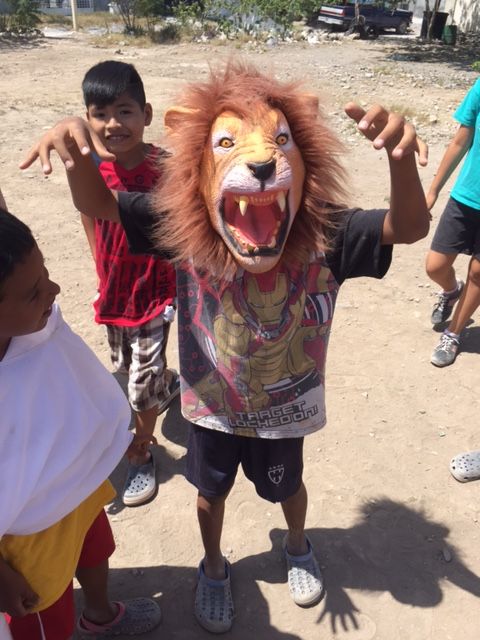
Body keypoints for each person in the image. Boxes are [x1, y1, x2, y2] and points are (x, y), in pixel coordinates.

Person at [21, 63, 429, 634]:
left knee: (288, 486)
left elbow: (407, 228)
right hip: (212, 409)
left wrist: (399, 159)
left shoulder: (324, 234)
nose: (261, 160)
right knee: (209, 493)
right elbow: (101, 205)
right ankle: (213, 565)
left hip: (286, 410)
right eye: (228, 144)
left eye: (281, 141)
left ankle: (297, 543)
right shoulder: (185, 226)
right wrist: (77, 153)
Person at [0, 204, 162, 639]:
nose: (54, 290)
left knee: (94, 548)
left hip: (78, 489)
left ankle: (100, 613)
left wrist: (109, 437)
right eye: (33, 292)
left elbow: (72, 386)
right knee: (47, 619)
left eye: (46, 274)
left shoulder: (37, 328)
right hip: (26, 540)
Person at [79, 61, 178, 506]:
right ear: (87, 119)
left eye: (124, 111)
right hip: (115, 292)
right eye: (100, 114)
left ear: (146, 114)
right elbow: (89, 216)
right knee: (123, 365)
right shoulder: (93, 168)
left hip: (155, 294)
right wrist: (101, 271)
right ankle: (166, 384)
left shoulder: (166, 167)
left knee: (138, 385)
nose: (113, 124)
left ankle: (140, 454)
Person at [425, 78, 480, 367]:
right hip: (466, 196)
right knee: (435, 266)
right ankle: (450, 290)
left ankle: (453, 334)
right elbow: (460, 140)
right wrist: (433, 190)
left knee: (478, 273)